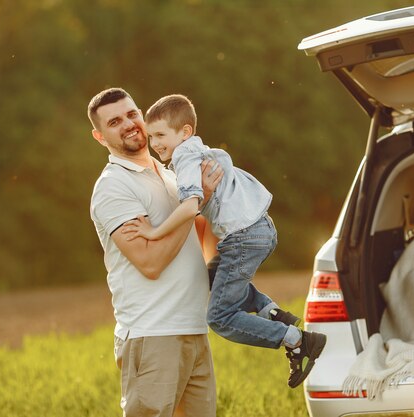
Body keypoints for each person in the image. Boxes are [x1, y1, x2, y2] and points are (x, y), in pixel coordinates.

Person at [122, 94, 327, 388]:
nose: (154, 143)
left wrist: (153, 232)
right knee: (207, 278)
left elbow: (192, 204)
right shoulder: (195, 152)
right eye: (151, 135)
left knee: (219, 317)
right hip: (258, 230)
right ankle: (271, 311)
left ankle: (297, 340)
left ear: (184, 132)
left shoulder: (184, 156)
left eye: (160, 135)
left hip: (243, 238)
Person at [88, 87, 223, 417]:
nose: (130, 124)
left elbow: (197, 240)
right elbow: (150, 262)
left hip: (193, 328)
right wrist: (195, 205)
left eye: (132, 114)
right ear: (100, 136)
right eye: (115, 121)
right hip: (153, 335)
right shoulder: (113, 186)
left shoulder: (171, 175)